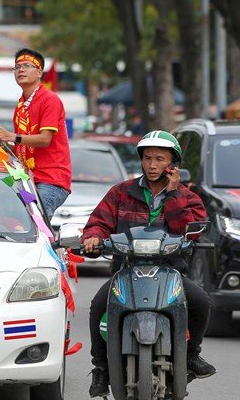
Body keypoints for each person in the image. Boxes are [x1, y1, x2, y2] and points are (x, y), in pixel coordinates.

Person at [82, 131, 216, 397]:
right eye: (147, 158)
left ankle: (191, 356)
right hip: (126, 270)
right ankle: (101, 368)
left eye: (159, 159)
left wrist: (174, 193)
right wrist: (93, 238)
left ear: (172, 163)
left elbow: (190, 230)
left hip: (171, 271)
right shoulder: (121, 192)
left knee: (200, 301)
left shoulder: (188, 197)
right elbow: (98, 222)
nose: (152, 165)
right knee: (98, 305)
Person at [0, 48, 71, 218]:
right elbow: (22, 146)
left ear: (39, 72)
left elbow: (44, 140)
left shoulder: (50, 99)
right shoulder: (21, 106)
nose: (21, 70)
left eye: (27, 66)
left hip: (50, 181)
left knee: (36, 223)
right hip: (27, 179)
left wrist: (11, 136)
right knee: (12, 216)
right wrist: (3, 142)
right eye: (17, 67)